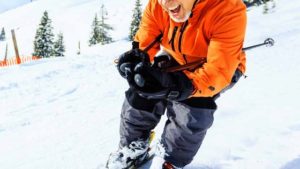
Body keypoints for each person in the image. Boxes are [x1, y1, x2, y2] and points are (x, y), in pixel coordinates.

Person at [106, 0, 247, 168]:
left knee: (193, 105)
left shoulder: (227, 9)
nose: (165, 2)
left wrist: (180, 87)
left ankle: (171, 158)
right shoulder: (158, 5)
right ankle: (132, 146)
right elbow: (146, 38)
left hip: (217, 68)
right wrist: (136, 58)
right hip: (176, 59)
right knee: (142, 90)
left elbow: (217, 71)